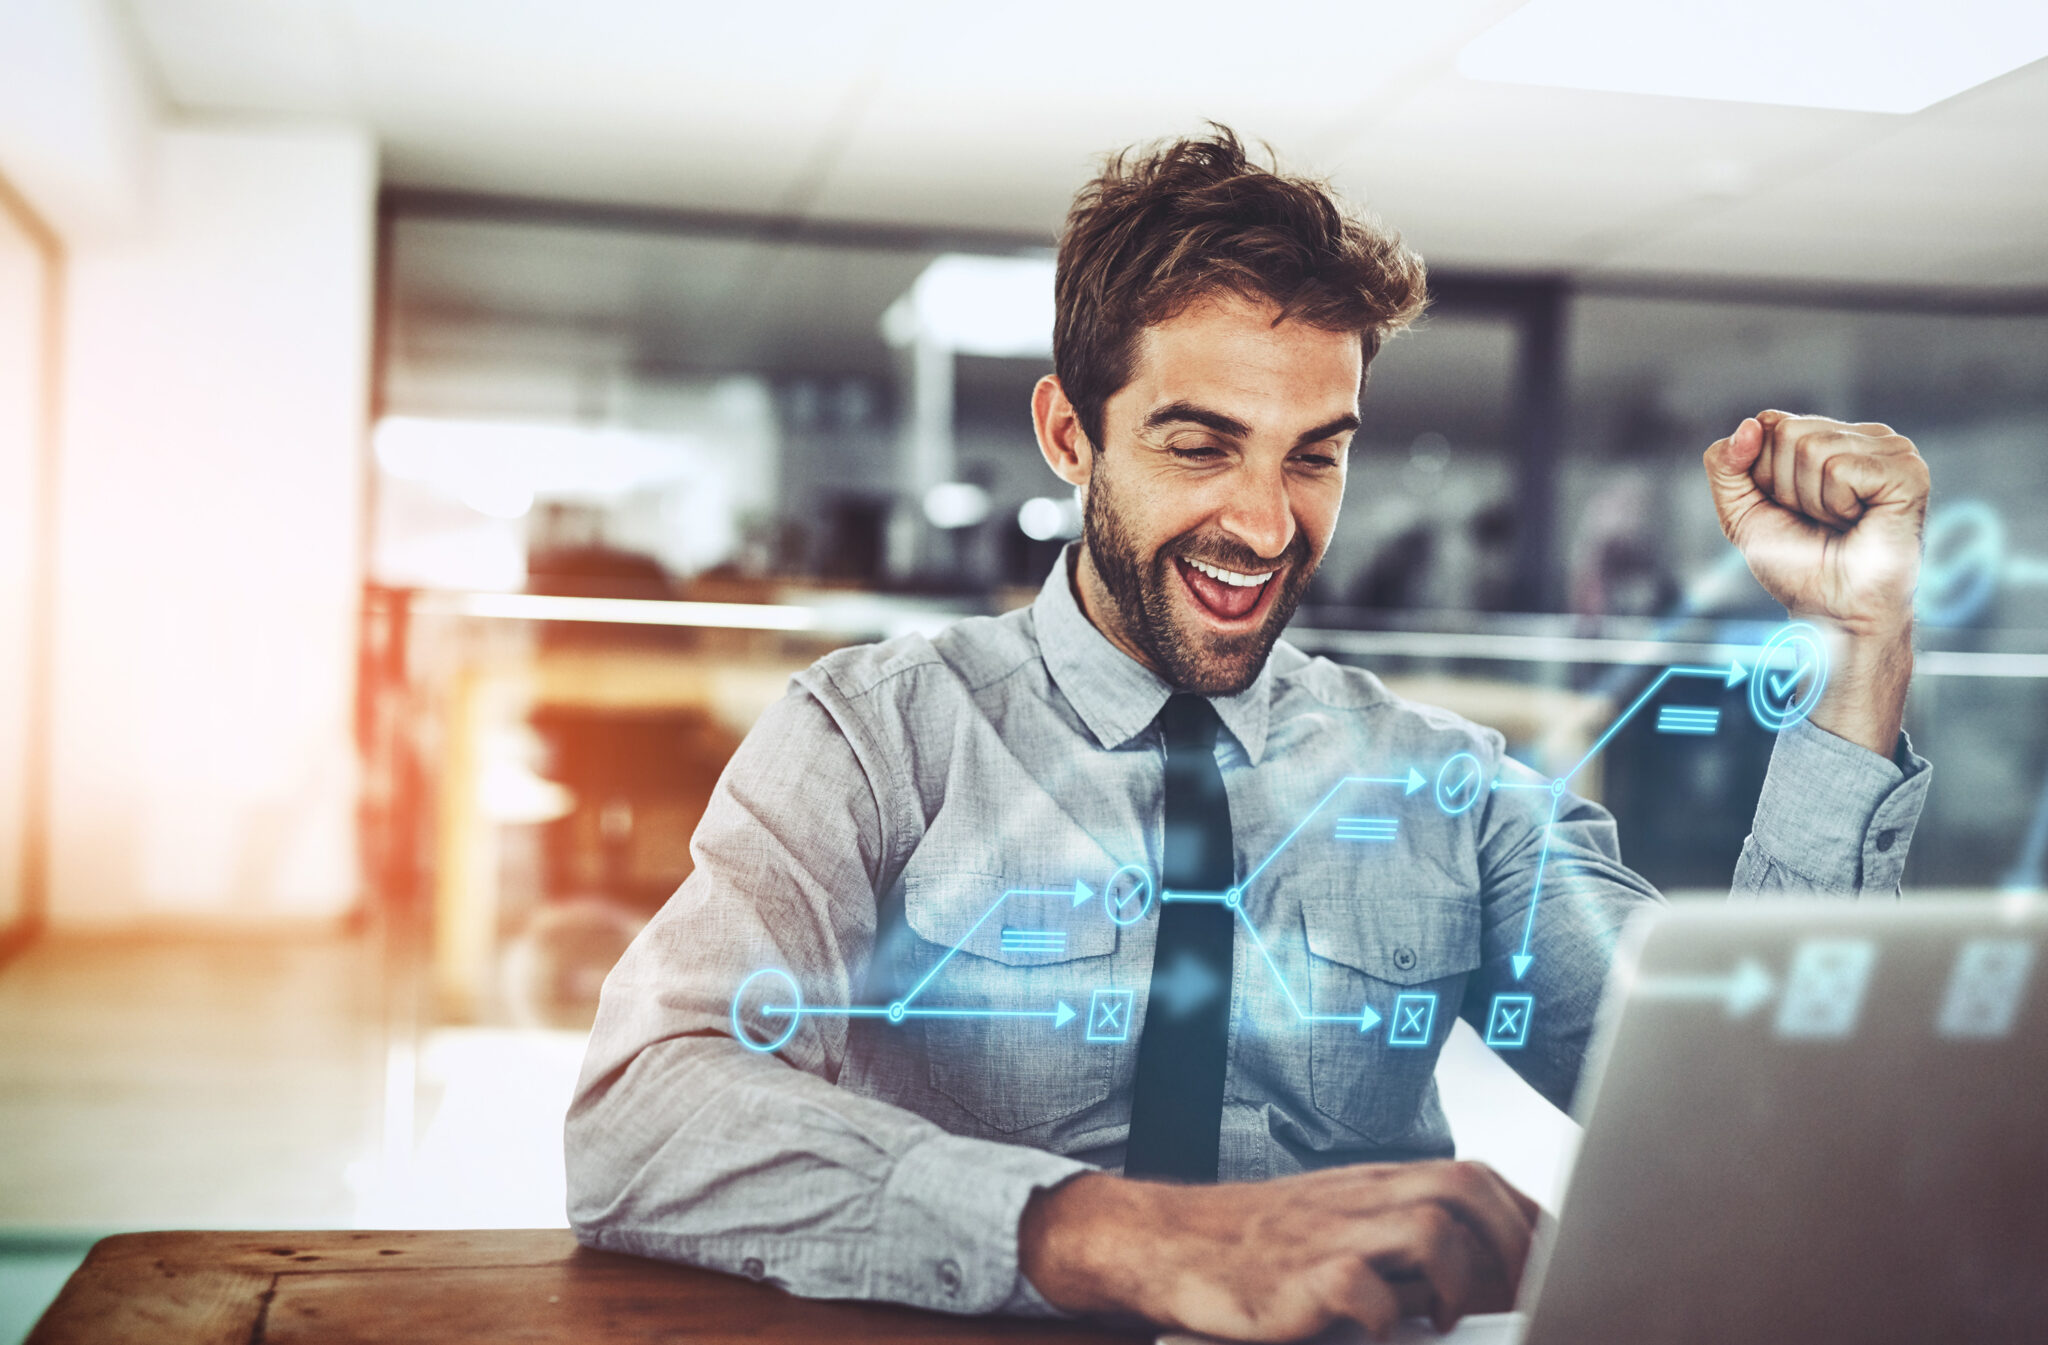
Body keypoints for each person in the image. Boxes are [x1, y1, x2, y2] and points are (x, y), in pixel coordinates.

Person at [565, 128, 1931, 1341]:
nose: (1267, 525)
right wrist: (1123, 1237)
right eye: (1201, 442)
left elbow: (1746, 1116)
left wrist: (1863, 648)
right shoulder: (875, 739)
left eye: (1314, 453)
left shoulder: (1444, 784)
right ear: (1069, 433)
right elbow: (643, 1117)